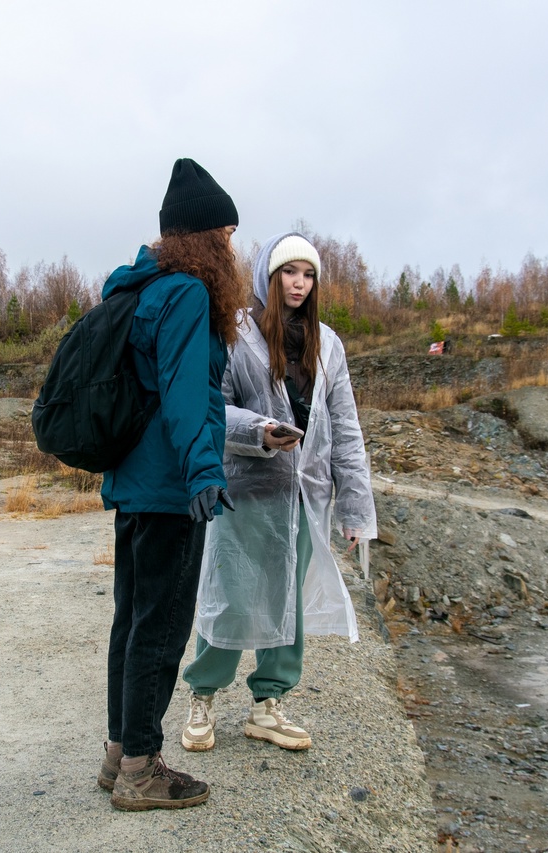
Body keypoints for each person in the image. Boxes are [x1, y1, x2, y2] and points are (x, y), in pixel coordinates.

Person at [180, 231, 376, 753]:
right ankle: (202, 695)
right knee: (232, 594)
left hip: (305, 497)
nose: (299, 283)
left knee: (287, 599)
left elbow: (345, 428)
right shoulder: (236, 333)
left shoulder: (327, 344)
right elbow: (212, 408)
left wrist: (354, 507)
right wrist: (259, 432)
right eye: (290, 272)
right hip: (247, 491)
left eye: (309, 275)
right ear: (271, 274)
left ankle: (269, 703)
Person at [97, 158, 244, 811]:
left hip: (135, 482)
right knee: (159, 628)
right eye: (227, 237)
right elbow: (187, 396)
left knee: (132, 622)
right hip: (170, 488)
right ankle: (140, 770)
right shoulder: (186, 293)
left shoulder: (139, 289)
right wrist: (205, 471)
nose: (232, 250)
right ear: (205, 238)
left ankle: (119, 754)